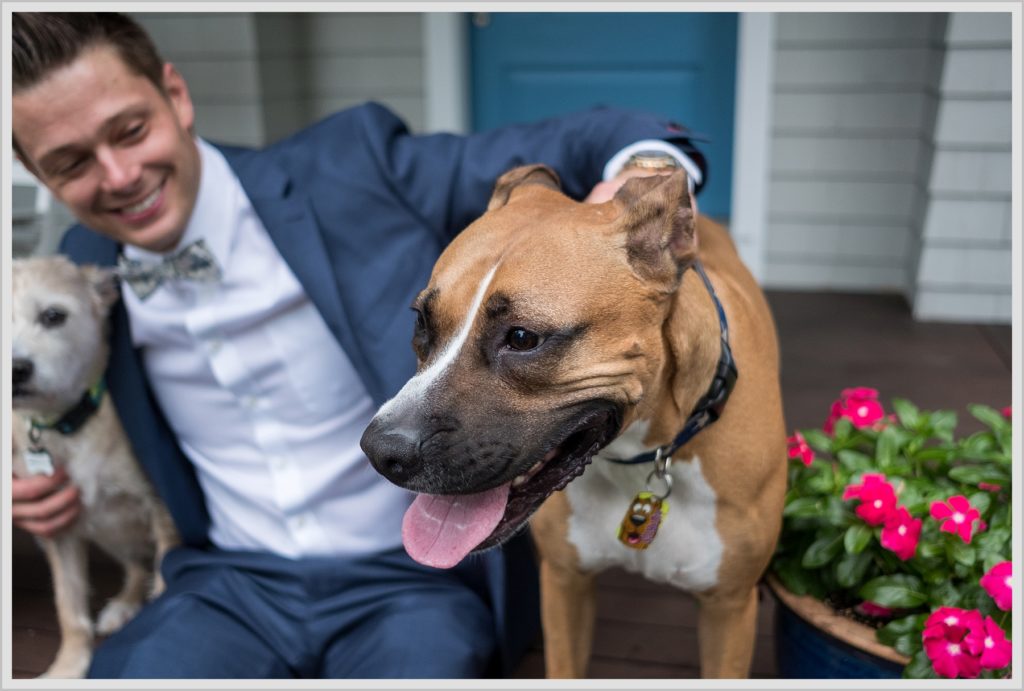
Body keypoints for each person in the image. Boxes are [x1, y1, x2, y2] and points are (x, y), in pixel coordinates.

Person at [10, 12, 708, 679]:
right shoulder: (79, 268)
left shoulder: (352, 166)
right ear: (40, 177)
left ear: (176, 94)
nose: (120, 175)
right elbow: (50, 394)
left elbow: (606, 132)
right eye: (71, 163)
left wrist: (638, 194)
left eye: (130, 131)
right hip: (225, 582)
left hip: (411, 578)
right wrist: (36, 470)